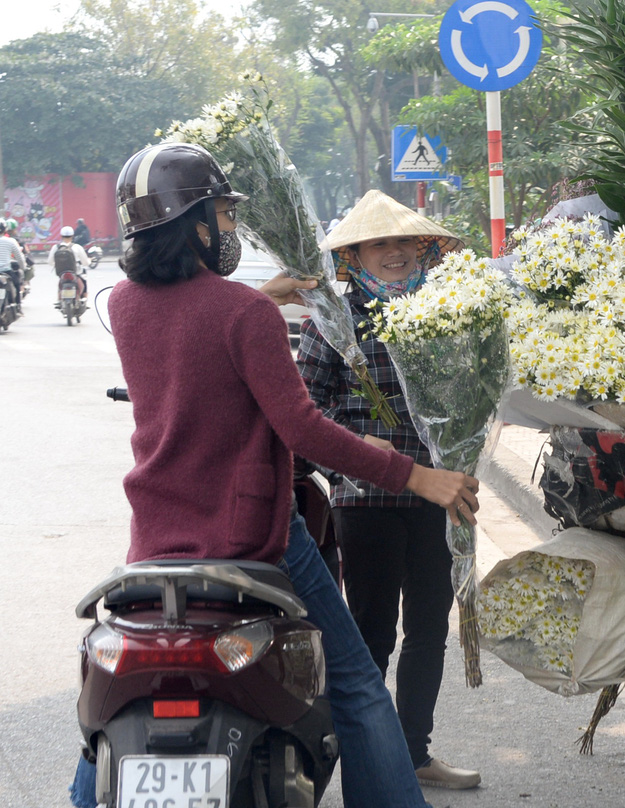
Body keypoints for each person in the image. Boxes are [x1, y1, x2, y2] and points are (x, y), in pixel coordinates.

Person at [69, 142, 478, 808]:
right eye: (226, 216)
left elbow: (189, 339)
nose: (230, 230)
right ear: (194, 223)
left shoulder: (125, 306)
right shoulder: (245, 315)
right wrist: (419, 477)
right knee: (354, 683)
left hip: (158, 536)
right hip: (254, 532)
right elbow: (304, 430)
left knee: (122, 691)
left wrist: (261, 296)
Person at [298, 190, 480, 790]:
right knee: (370, 634)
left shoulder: (449, 313)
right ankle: (364, 758)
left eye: (406, 242)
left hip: (439, 495)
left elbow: (471, 395)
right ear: (353, 256)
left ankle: (413, 752)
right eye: (382, 243)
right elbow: (307, 410)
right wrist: (360, 447)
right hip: (364, 499)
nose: (396, 253)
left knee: (429, 628)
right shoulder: (329, 318)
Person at [49, 225, 90, 301]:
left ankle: (59, 299)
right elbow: (85, 262)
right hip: (76, 272)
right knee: (84, 280)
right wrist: (88, 262)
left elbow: (50, 262)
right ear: (72, 236)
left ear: (61, 236)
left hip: (61, 273)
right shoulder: (77, 247)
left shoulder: (56, 247)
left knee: (60, 283)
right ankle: (84, 298)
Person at [0, 225, 26, 313]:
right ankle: (18, 306)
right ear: (5, 231)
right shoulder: (10, 241)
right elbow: (19, 257)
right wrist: (23, 267)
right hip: (6, 271)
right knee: (17, 284)